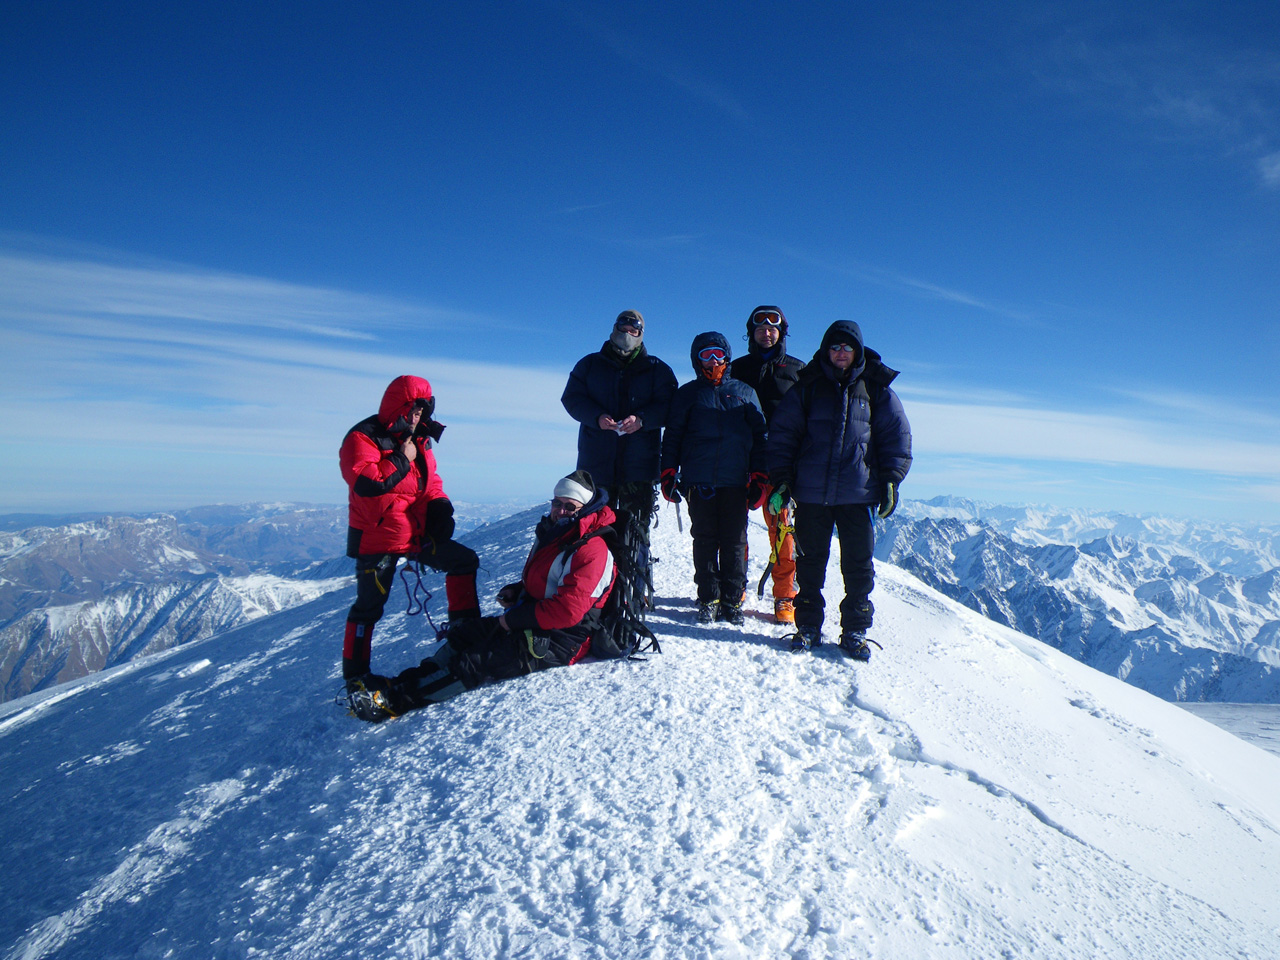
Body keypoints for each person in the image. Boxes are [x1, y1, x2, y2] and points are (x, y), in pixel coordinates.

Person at [354, 470, 618, 722]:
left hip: (563, 639)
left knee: (476, 661)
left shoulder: (592, 549)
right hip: (536, 621)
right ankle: (404, 681)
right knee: (466, 635)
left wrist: (512, 621)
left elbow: (568, 611)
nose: (560, 511)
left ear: (585, 509)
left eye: (569, 507)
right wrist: (518, 591)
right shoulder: (559, 535)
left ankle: (396, 701)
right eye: (557, 503)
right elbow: (550, 580)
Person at [766, 320, 912, 660]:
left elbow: (896, 438)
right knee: (810, 565)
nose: (841, 353)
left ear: (857, 351)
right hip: (812, 493)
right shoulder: (807, 387)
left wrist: (891, 479)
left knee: (859, 567)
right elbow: (784, 437)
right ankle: (808, 627)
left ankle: (854, 630)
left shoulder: (877, 390)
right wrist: (783, 480)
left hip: (859, 494)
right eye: (835, 347)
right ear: (825, 350)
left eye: (847, 347)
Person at [338, 375, 480, 711]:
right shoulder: (363, 437)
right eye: (413, 408)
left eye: (422, 409)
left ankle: (465, 635)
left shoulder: (420, 440)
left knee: (464, 561)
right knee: (368, 609)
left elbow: (431, 483)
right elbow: (367, 482)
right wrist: (402, 457)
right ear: (398, 405)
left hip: (415, 534)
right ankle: (356, 677)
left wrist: (440, 506)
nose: (417, 415)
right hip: (379, 536)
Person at [561, 310, 677, 613]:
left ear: (641, 334)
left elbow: (670, 407)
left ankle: (634, 595)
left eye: (634, 328)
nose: (628, 332)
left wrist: (643, 419)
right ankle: (596, 597)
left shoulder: (657, 370)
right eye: (623, 327)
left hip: (638, 467)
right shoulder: (590, 365)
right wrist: (596, 417)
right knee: (594, 533)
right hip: (596, 466)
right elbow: (571, 399)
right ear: (613, 329)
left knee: (635, 532)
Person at [661, 332, 767, 625]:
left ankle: (732, 600)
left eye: (718, 355)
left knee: (735, 541)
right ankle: (709, 597)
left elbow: (761, 438)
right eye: (706, 355)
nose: (713, 361)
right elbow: (672, 437)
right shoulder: (688, 394)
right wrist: (668, 472)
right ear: (697, 360)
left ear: (727, 358)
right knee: (704, 540)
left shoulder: (744, 392)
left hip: (736, 481)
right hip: (699, 480)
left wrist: (760, 477)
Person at [729, 305, 805, 624]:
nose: (766, 331)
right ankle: (734, 587)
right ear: (752, 332)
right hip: (739, 460)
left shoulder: (799, 371)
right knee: (733, 529)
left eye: (773, 327)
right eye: (760, 327)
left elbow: (809, 420)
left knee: (783, 532)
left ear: (781, 332)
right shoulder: (735, 369)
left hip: (779, 464)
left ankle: (785, 597)